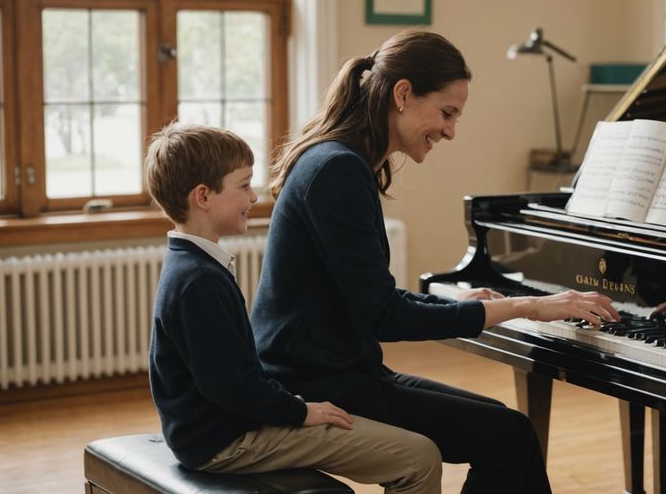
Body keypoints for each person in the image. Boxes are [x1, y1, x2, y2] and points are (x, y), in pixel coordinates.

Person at [251, 30, 619, 493]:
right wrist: (526, 306)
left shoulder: (341, 163)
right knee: (509, 438)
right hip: (316, 384)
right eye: (446, 113)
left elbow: (370, 299)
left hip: (338, 370)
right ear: (402, 93)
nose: (450, 130)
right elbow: (383, 316)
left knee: (507, 426)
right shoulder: (337, 171)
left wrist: (457, 303)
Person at [144, 123, 444, 494]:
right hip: (224, 442)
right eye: (243, 186)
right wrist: (301, 411)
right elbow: (232, 387)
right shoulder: (198, 281)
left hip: (216, 430)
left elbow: (232, 377)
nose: (253, 197)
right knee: (419, 457)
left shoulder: (189, 264)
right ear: (203, 196)